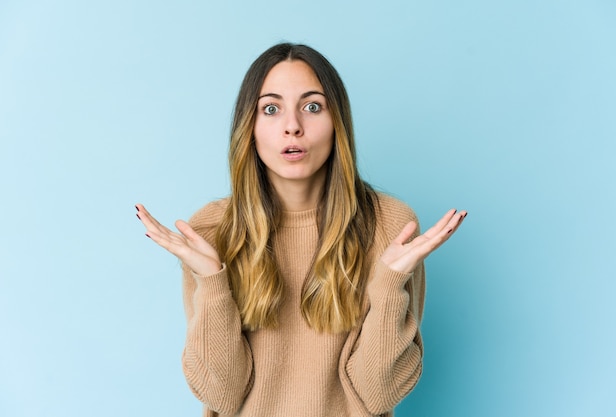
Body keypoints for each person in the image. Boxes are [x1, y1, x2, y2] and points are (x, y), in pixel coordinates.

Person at [136, 42, 466, 417]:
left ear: (337, 122)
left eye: (312, 107)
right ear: (250, 127)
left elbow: (377, 395)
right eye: (271, 109)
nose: (292, 126)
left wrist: (389, 284)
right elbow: (221, 397)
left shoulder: (390, 225)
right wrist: (213, 282)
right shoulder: (211, 230)